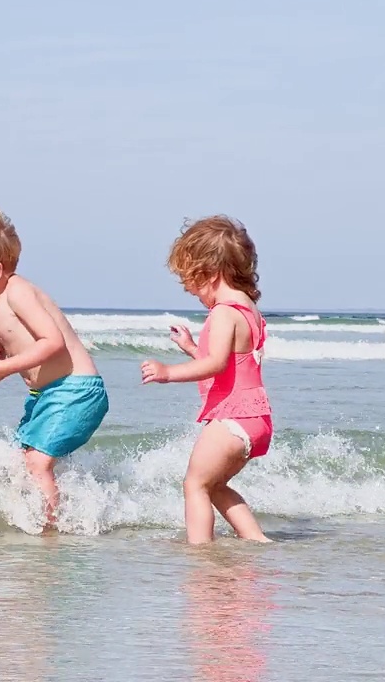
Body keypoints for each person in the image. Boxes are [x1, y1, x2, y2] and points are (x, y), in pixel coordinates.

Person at [0, 203, 109, 528]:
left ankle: (49, 534)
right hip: (45, 395)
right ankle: (51, 514)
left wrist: (4, 369)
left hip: (76, 391)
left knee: (37, 464)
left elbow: (51, 341)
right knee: (20, 461)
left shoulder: (19, 293)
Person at [139, 215, 272, 544]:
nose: (192, 292)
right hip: (256, 419)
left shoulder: (224, 311)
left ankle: (200, 551)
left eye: (192, 284)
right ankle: (256, 540)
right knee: (215, 486)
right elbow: (231, 363)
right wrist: (191, 347)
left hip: (232, 419)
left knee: (194, 485)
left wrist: (168, 372)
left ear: (210, 273)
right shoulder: (249, 310)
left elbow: (215, 364)